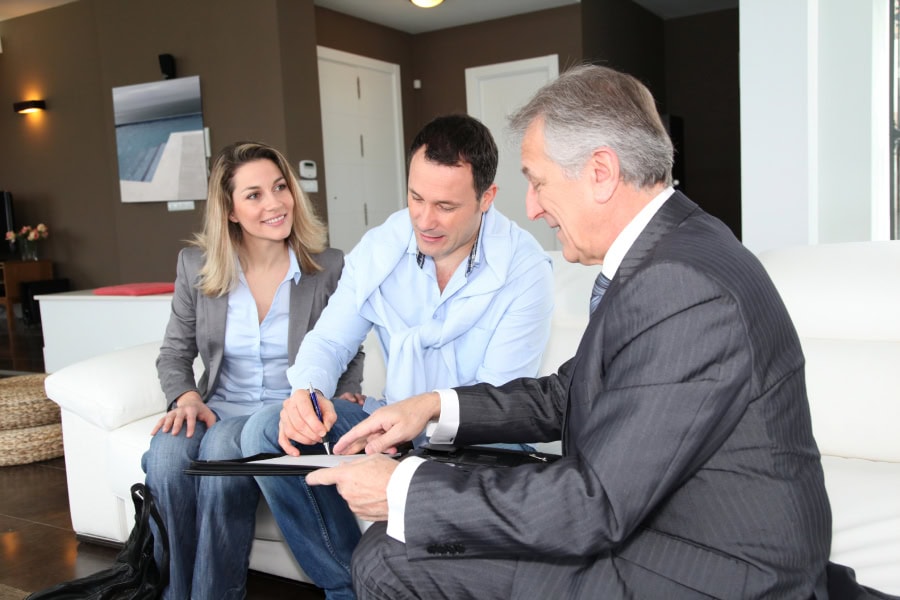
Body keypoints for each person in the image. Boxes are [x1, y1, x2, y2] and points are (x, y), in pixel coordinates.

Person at [309, 64, 834, 599]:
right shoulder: (676, 246)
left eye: (538, 182)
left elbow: (593, 505)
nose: (532, 208)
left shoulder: (681, 283)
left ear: (601, 172)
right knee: (398, 544)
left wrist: (404, 489)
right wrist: (433, 406)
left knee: (391, 558)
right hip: (667, 529)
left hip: (713, 568)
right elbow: (570, 390)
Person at [240, 114, 554, 599]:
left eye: (446, 206)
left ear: (487, 200)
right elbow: (329, 341)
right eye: (416, 198)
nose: (425, 221)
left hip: (482, 436)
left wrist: (414, 442)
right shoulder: (382, 247)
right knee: (266, 429)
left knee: (476, 457)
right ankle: (348, 587)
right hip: (392, 421)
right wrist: (306, 393)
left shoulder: (526, 269)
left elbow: (496, 403)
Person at [142, 141, 363, 600]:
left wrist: (347, 393)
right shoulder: (197, 267)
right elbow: (173, 353)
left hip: (283, 413)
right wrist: (185, 397)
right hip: (217, 405)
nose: (275, 203)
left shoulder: (327, 267)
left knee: (223, 450)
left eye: (280, 188)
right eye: (255, 194)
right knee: (165, 457)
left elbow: (347, 348)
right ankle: (171, 593)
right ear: (230, 210)